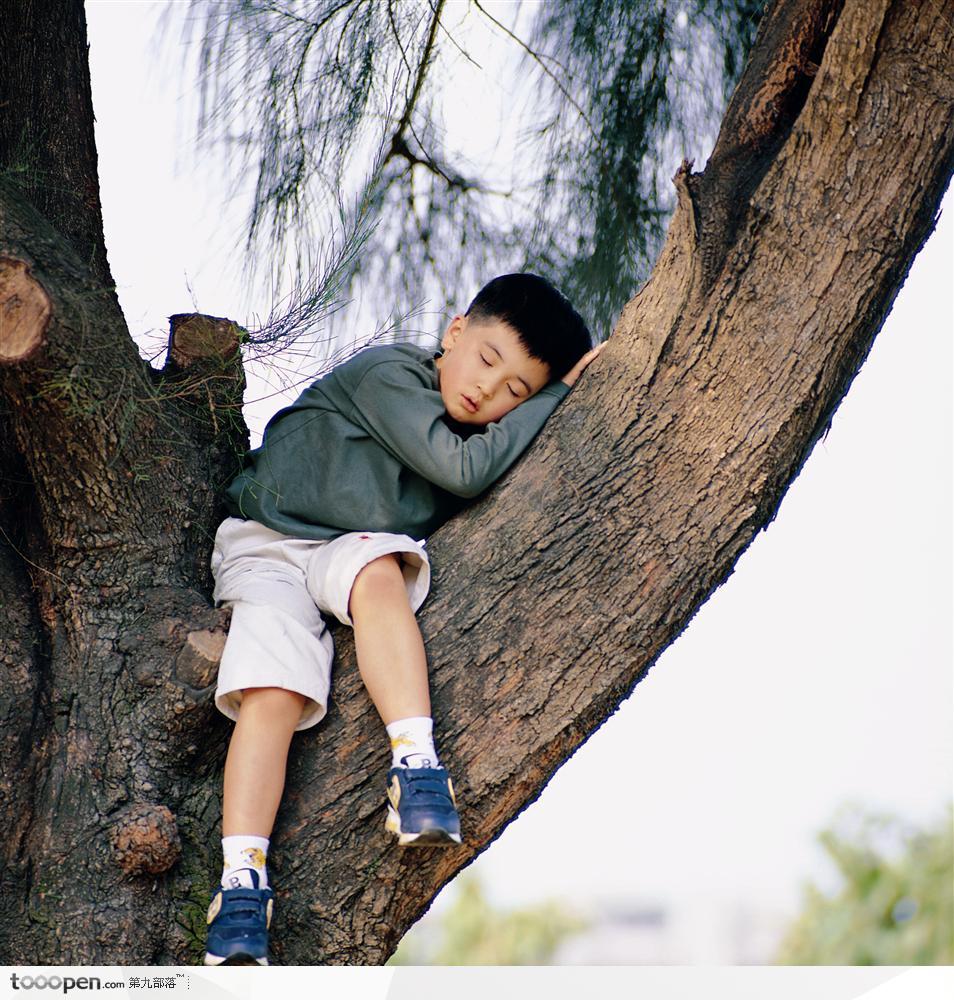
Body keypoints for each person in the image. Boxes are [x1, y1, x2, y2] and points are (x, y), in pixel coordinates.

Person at [203, 273, 604, 965]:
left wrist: (552, 399)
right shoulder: (389, 374)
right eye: (485, 359)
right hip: (270, 538)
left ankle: (415, 765)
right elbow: (464, 471)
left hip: (349, 551)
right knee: (273, 689)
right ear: (453, 332)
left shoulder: (477, 427)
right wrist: (560, 394)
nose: (487, 390)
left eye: (516, 391)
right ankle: (242, 880)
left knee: (382, 576)